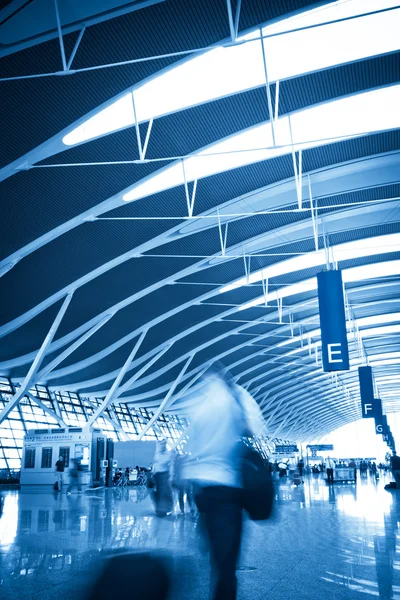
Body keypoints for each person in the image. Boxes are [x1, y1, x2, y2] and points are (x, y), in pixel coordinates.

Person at [182, 367, 264, 600]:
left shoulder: (197, 403)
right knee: (227, 563)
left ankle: (212, 551)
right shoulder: (235, 397)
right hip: (228, 488)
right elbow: (253, 430)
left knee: (217, 555)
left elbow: (192, 447)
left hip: (203, 489)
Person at [152, 440, 173, 516]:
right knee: (159, 493)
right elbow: (156, 463)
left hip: (164, 475)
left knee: (164, 493)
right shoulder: (158, 453)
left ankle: (163, 509)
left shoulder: (167, 454)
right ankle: (160, 508)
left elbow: (165, 463)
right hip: (158, 476)